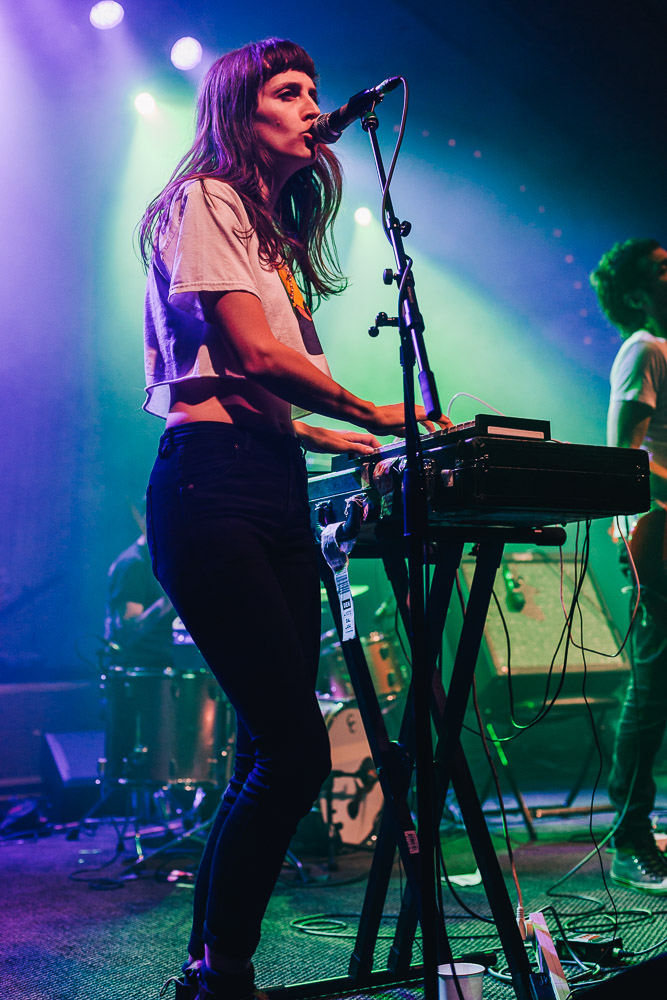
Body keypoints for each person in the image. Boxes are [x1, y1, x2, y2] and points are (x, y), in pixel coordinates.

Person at [139, 38, 446, 1000]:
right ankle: (225, 970)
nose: (314, 105)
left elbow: (260, 388)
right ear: (242, 110)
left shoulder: (269, 237)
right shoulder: (205, 200)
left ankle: (210, 970)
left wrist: (331, 438)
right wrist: (372, 411)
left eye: (316, 90)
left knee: (268, 748)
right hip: (212, 485)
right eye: (288, 90)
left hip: (265, 475)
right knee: (293, 748)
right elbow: (248, 354)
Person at [591, 238, 667, 893]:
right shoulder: (644, 347)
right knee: (653, 678)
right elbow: (624, 461)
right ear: (639, 292)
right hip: (659, 530)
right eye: (663, 269)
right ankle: (629, 834)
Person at [104, 533, 175, 669]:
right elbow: (129, 629)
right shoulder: (133, 564)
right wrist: (167, 600)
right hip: (137, 669)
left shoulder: (158, 559)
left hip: (158, 663)